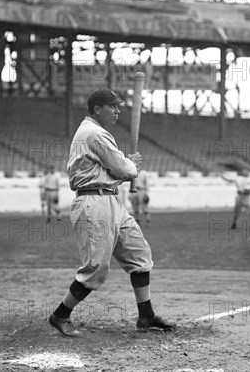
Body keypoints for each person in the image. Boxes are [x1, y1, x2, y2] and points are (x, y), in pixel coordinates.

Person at [48, 88, 175, 337]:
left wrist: (128, 164)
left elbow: (116, 168)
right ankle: (60, 314)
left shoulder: (96, 133)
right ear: (97, 109)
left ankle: (146, 316)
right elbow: (123, 169)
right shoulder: (94, 133)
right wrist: (132, 164)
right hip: (94, 203)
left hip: (110, 201)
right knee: (95, 268)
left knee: (139, 254)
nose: (117, 111)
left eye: (119, 106)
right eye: (112, 106)